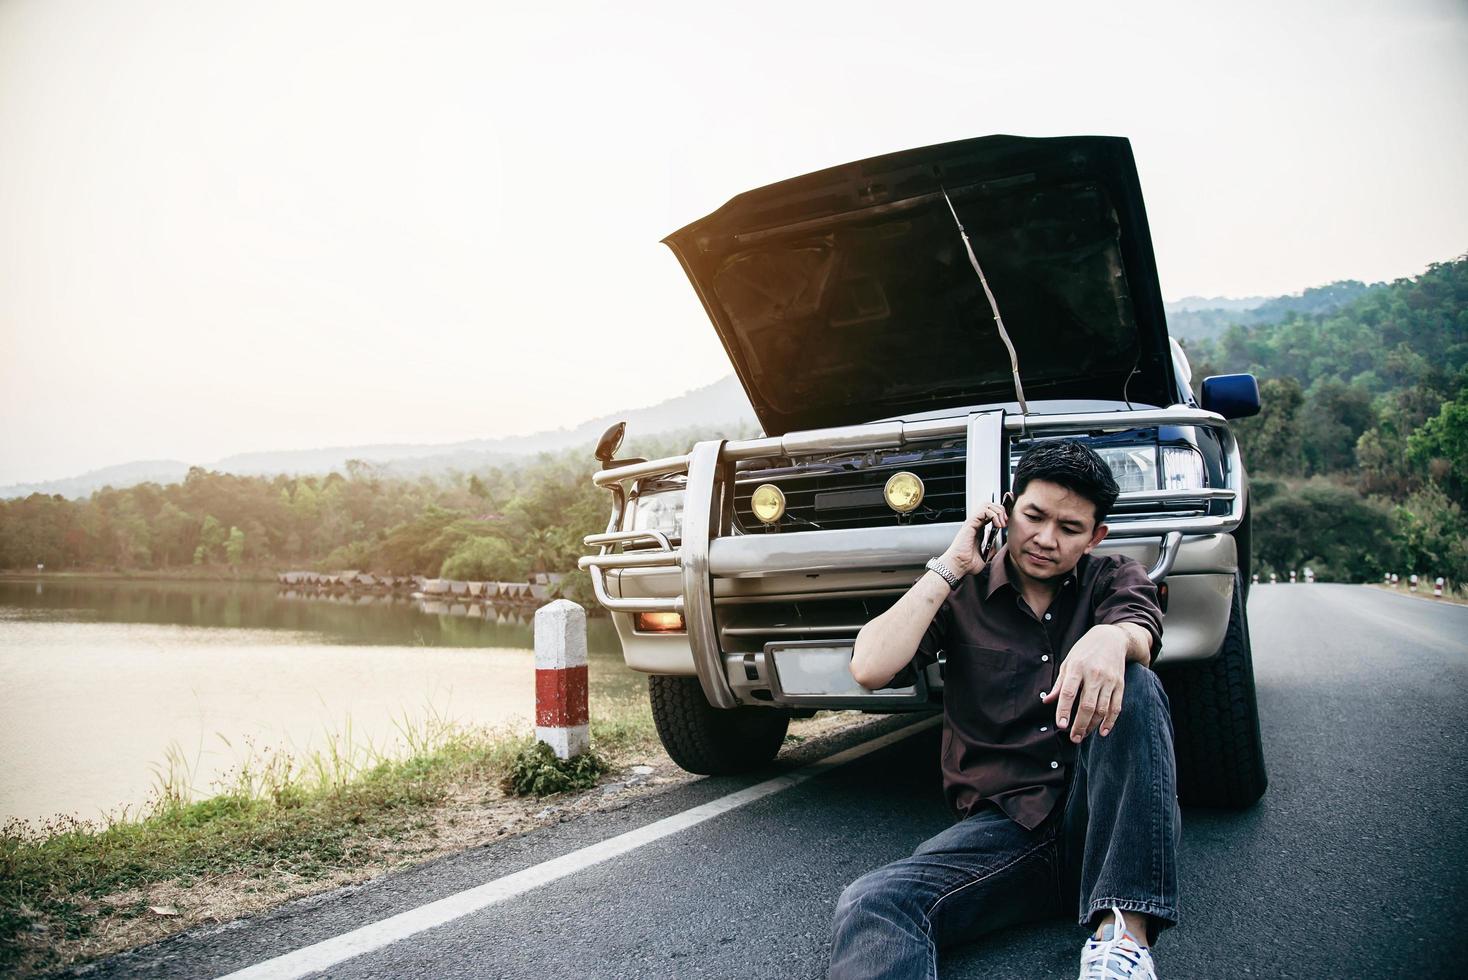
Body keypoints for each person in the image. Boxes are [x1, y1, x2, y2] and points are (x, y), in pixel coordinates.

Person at [828, 440, 1179, 980]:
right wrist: (950, 565)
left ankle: (1122, 939)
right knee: (872, 901)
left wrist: (1110, 638)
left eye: (1069, 528)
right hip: (1007, 834)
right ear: (1007, 508)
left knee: (1136, 681)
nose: (1044, 539)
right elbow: (870, 667)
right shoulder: (962, 590)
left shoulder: (1113, 576)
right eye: (1033, 516)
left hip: (1102, 824)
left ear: (1095, 537)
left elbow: (1140, 628)